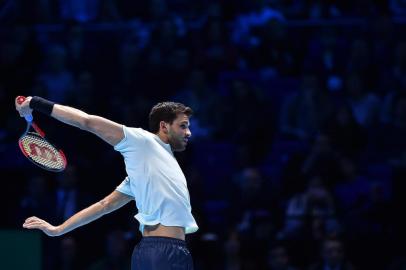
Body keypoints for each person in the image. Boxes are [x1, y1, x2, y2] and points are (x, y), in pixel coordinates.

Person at [16, 96, 198, 270]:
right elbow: (87, 121)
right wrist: (36, 103)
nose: (188, 132)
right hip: (162, 252)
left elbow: (105, 205)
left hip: (163, 251)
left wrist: (59, 229)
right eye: (183, 126)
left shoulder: (150, 168)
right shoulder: (143, 141)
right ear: (164, 126)